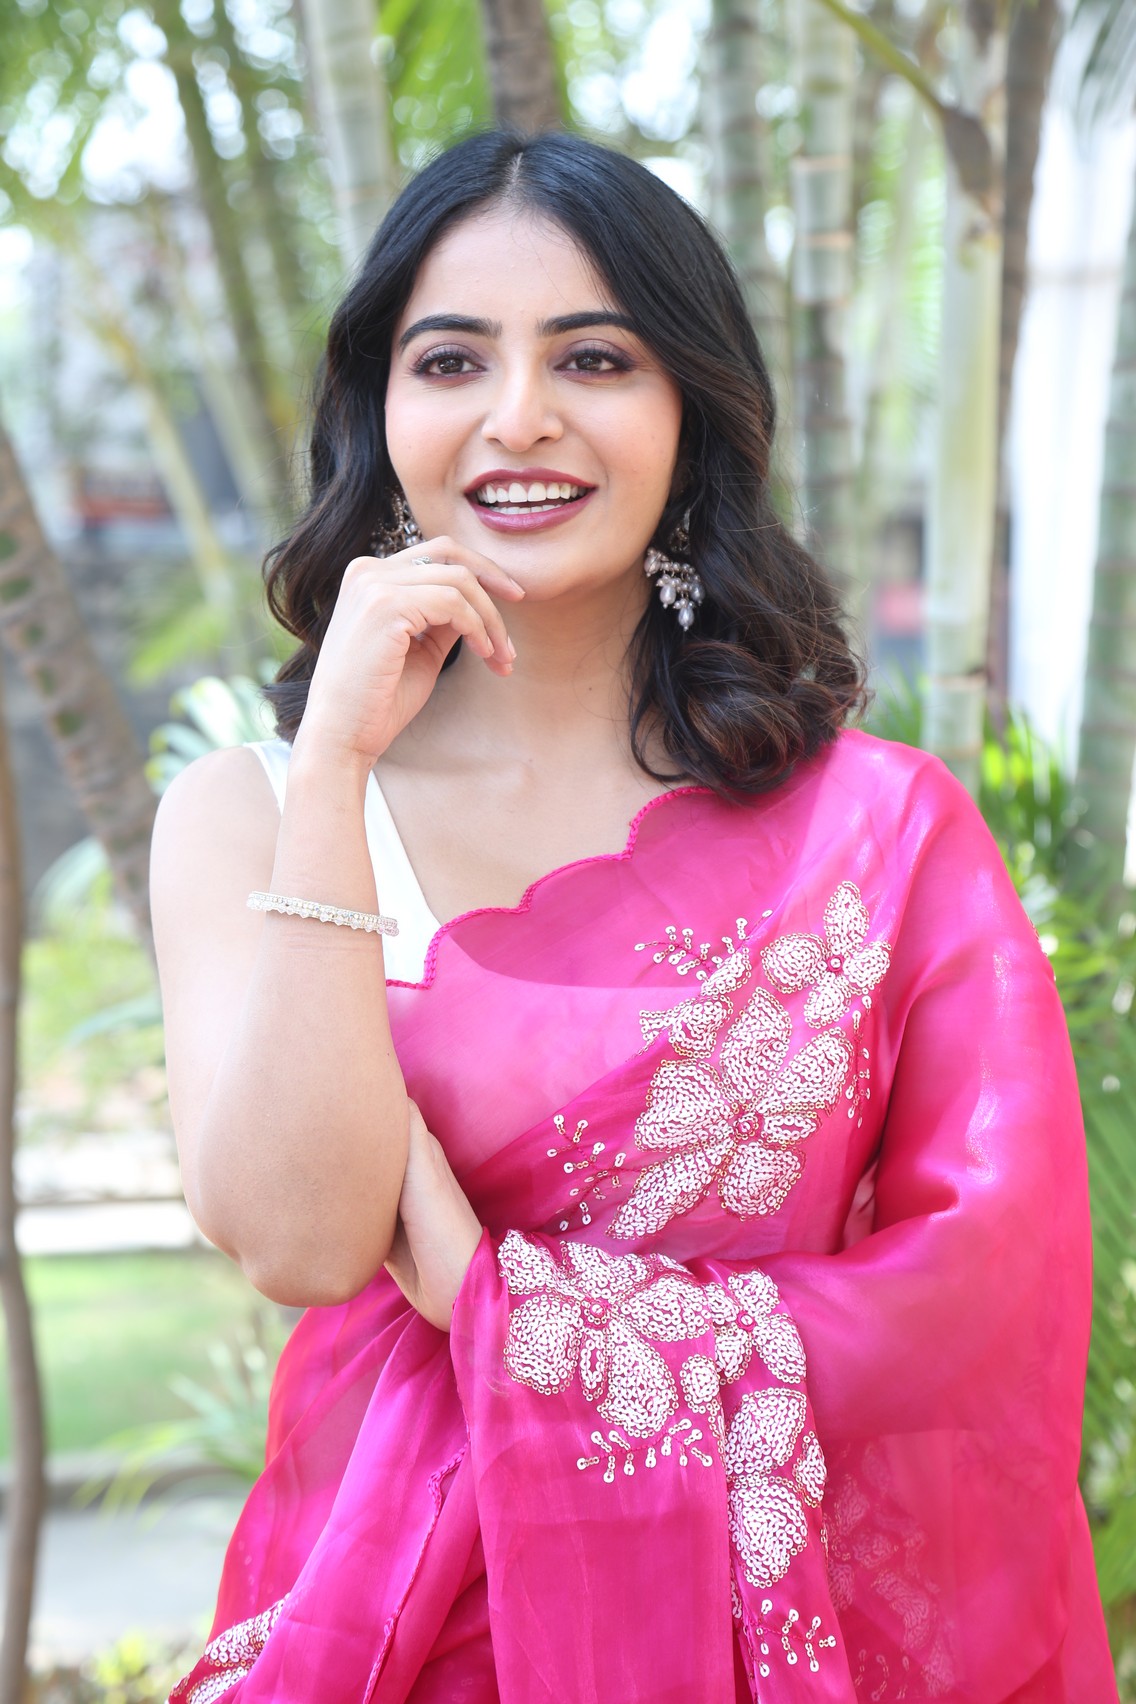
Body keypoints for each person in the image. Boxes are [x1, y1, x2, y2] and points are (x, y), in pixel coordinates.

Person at [151, 128, 1117, 1703]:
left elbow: (984, 1300)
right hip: (388, 1640)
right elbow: (302, 1239)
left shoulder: (877, 832)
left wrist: (498, 1302)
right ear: (379, 410)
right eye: (450, 359)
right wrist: (335, 767)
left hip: (764, 1640)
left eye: (593, 358)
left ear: (689, 410)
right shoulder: (253, 811)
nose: (518, 417)